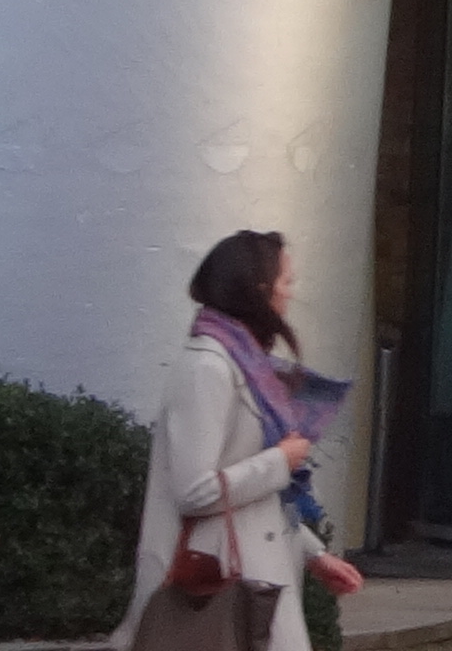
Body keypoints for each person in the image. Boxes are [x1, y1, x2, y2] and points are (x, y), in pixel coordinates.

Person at [121, 230, 364, 651]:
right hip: (217, 585)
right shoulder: (207, 369)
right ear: (259, 288)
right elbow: (195, 491)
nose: (291, 292)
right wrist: (280, 461)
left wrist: (313, 554)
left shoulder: (250, 366)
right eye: (286, 280)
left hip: (252, 583)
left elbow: (259, 500)